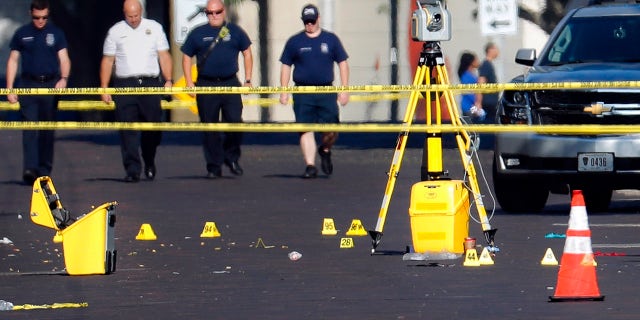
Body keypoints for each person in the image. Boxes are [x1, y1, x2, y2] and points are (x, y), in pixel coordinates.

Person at [100, 0, 173, 183]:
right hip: (125, 84)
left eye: (136, 16)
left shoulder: (154, 28)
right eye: (129, 16)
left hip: (149, 82)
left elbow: (164, 55)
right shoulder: (116, 31)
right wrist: (104, 86)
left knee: (153, 126)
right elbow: (108, 60)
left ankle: (149, 160)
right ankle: (132, 169)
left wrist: (168, 80)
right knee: (127, 130)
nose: (133, 20)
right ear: (124, 13)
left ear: (141, 12)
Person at [181, 0, 253, 179]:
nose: (214, 16)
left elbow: (247, 52)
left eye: (217, 12)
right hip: (206, 84)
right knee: (209, 126)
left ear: (224, 11)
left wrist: (248, 80)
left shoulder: (235, 31)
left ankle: (232, 157)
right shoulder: (197, 33)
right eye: (210, 13)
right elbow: (186, 56)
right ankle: (214, 165)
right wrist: (190, 82)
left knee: (235, 122)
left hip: (230, 82)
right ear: (206, 13)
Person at [279, 4, 349, 179]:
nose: (309, 25)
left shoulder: (331, 39)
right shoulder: (295, 42)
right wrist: (284, 90)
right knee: (305, 128)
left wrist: (345, 89)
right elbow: (286, 66)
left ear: (318, 19)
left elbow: (343, 63)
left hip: (326, 90)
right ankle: (310, 165)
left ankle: (325, 149)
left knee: (331, 129)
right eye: (306, 22)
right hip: (303, 91)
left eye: (312, 21)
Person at [6, 0, 71, 185]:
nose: (40, 21)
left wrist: (63, 79)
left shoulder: (56, 33)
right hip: (28, 84)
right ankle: (30, 169)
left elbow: (64, 59)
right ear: (30, 14)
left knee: (47, 131)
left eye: (44, 17)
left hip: (50, 84)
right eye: (36, 17)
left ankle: (44, 170)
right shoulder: (22, 34)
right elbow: (13, 60)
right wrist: (10, 88)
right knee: (30, 129)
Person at [457, 51, 484, 122]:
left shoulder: (471, 74)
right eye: (476, 60)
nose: (478, 61)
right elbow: (469, 92)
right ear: (471, 62)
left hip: (472, 105)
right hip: (469, 106)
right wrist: (477, 103)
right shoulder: (466, 76)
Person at [478, 42, 499, 124]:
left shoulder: (489, 64)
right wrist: (479, 102)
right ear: (490, 50)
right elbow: (481, 83)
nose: (498, 51)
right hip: (487, 104)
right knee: (488, 125)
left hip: (491, 103)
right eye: (496, 48)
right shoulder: (486, 64)